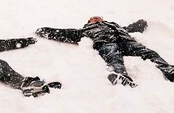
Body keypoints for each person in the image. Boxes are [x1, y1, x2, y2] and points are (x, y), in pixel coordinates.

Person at [36, 17, 174, 87]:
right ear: (89, 22)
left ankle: (168, 70)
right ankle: (121, 75)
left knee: (149, 53)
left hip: (127, 42)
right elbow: (64, 33)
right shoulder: (84, 31)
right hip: (106, 43)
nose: (97, 19)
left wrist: (142, 22)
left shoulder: (115, 25)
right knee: (114, 56)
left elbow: (132, 27)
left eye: (99, 17)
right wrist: (44, 31)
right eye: (94, 18)